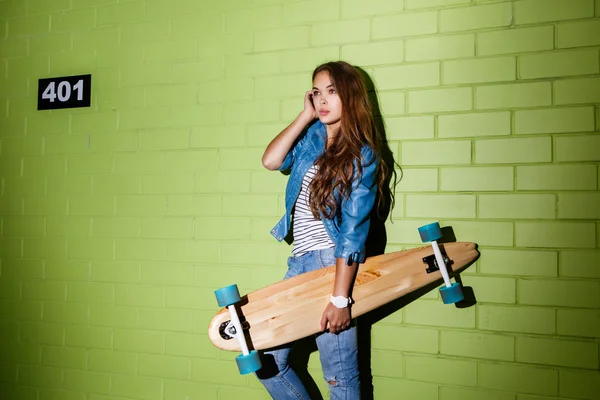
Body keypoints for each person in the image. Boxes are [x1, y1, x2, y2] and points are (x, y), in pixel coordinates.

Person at [258, 61, 392, 400]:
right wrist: (305, 118)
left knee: (341, 379)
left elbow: (353, 233)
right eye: (317, 92)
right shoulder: (311, 140)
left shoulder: (363, 155)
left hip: (332, 268)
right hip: (298, 263)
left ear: (350, 96)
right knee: (268, 361)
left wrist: (340, 297)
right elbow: (271, 161)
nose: (322, 100)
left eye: (332, 91)